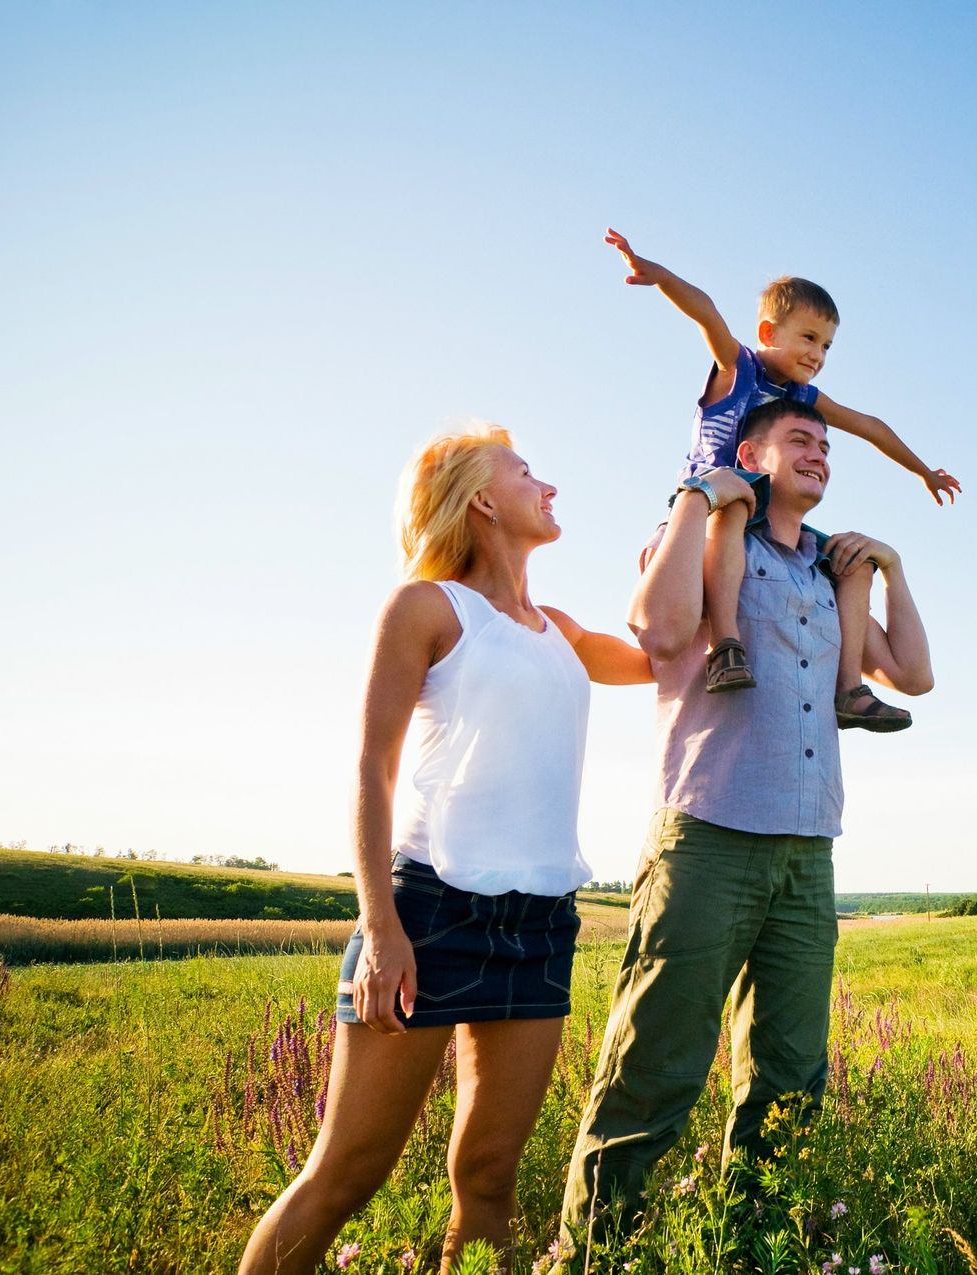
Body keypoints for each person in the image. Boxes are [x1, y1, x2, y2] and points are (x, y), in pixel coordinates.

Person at [240, 423, 667, 1275]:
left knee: (489, 1175)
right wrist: (383, 927)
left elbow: (667, 655)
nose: (548, 486)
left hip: (542, 922)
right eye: (527, 473)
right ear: (482, 500)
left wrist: (678, 541)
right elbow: (372, 768)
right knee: (346, 1171)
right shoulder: (427, 608)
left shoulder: (563, 633)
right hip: (430, 911)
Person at [561, 398, 934, 1258]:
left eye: (828, 447)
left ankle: (755, 1247)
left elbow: (913, 673)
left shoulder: (824, 573)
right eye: (802, 439)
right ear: (753, 452)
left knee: (791, 1079)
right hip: (709, 835)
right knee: (654, 1065)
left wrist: (893, 567)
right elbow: (655, 630)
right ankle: (591, 1253)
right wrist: (700, 494)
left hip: (809, 850)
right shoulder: (704, 536)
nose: (822, 454)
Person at [602, 226, 955, 731]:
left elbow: (869, 425)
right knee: (737, 502)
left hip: (766, 516)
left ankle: (849, 688)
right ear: (769, 333)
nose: (818, 354)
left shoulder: (804, 399)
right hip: (713, 501)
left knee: (851, 562)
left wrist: (922, 471)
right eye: (809, 338)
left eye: (828, 346)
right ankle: (727, 643)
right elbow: (707, 312)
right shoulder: (739, 367)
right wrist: (658, 276)